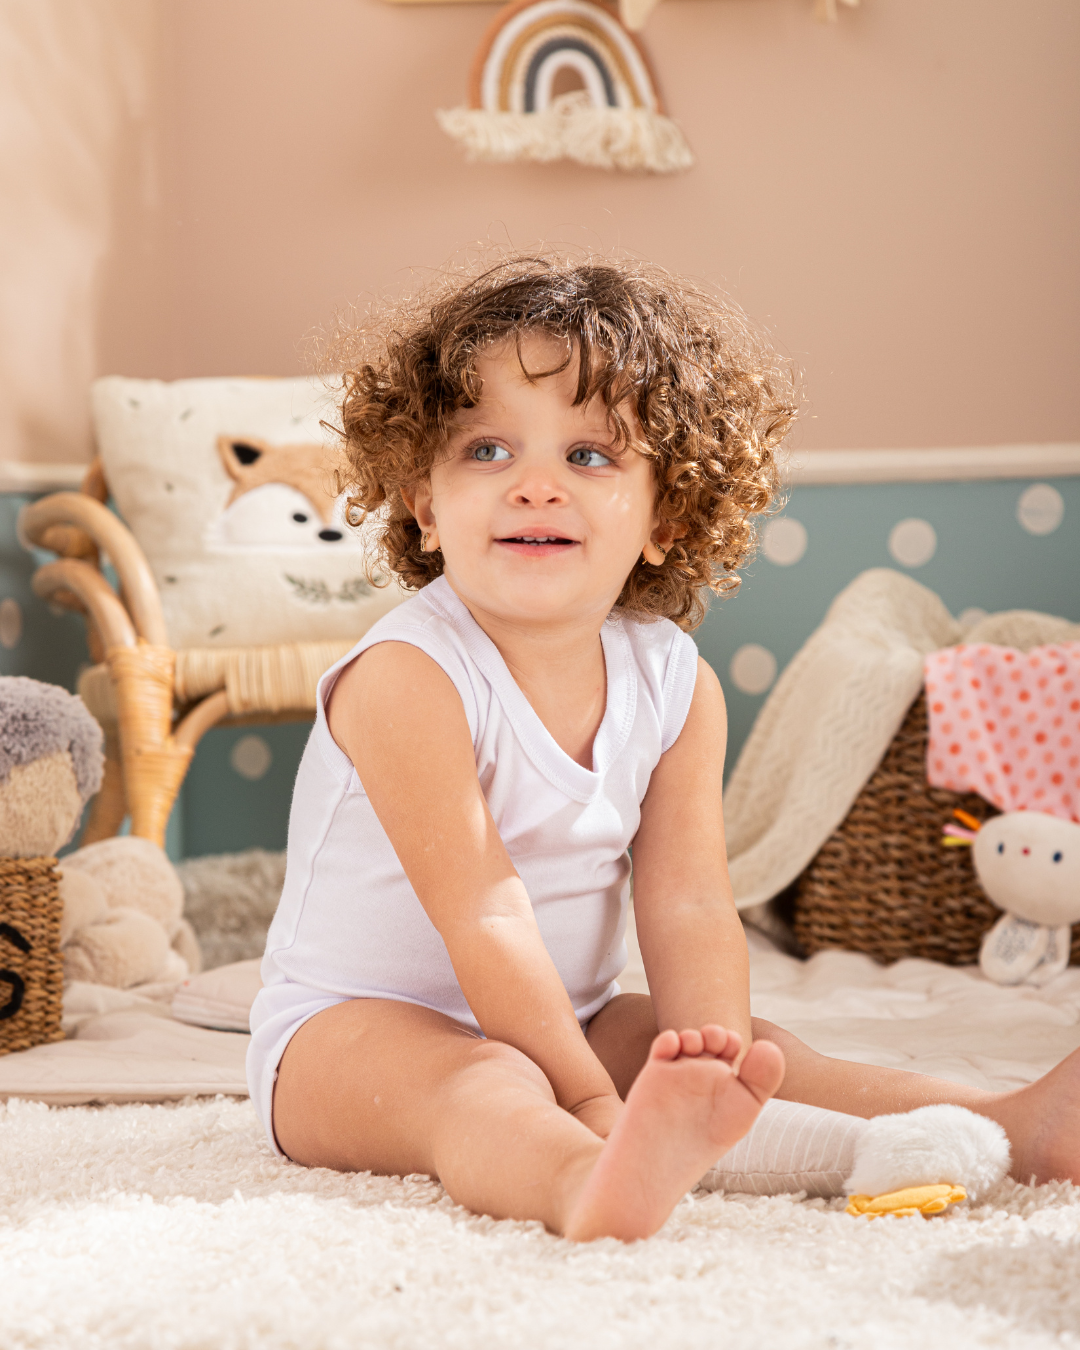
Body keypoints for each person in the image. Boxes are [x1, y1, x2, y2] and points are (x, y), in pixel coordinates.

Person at [247, 256, 1079, 1242]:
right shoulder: (407, 675)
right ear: (423, 501)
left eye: (591, 458)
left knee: (745, 1045)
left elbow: (687, 903)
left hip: (576, 1015)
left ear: (667, 515)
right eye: (487, 451)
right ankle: (581, 1184)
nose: (535, 487)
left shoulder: (673, 682)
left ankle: (1009, 1125)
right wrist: (595, 1106)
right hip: (346, 1036)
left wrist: (706, 1061)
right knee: (485, 1080)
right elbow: (484, 914)